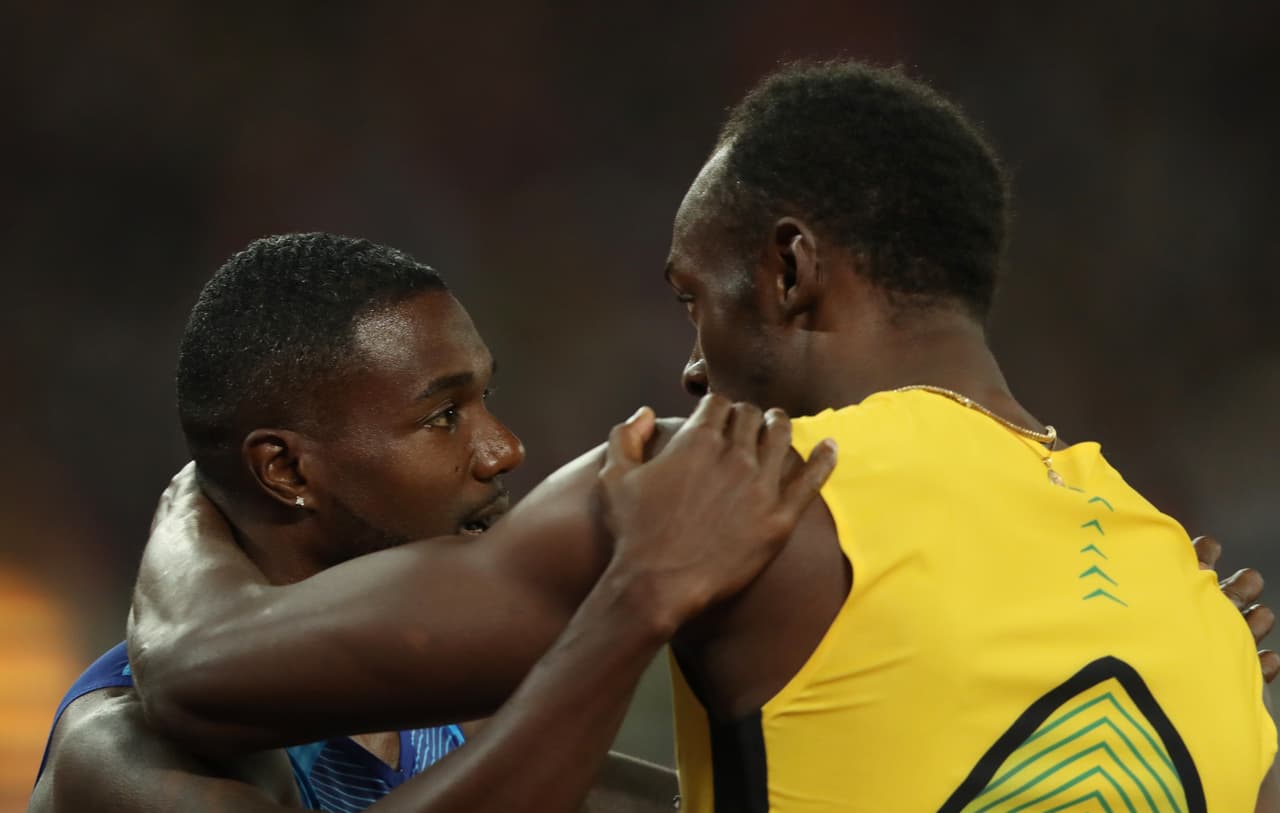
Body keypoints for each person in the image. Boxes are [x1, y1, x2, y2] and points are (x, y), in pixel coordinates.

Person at [125, 65, 1279, 810]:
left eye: (693, 298)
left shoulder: (742, 488)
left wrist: (195, 487)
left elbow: (198, 671)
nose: (687, 363)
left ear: (787, 269)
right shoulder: (1195, 605)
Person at [29, 234, 837, 813]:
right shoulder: (118, 752)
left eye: (487, 397)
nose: (504, 448)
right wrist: (635, 605)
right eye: (444, 415)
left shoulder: (447, 717)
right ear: (286, 470)